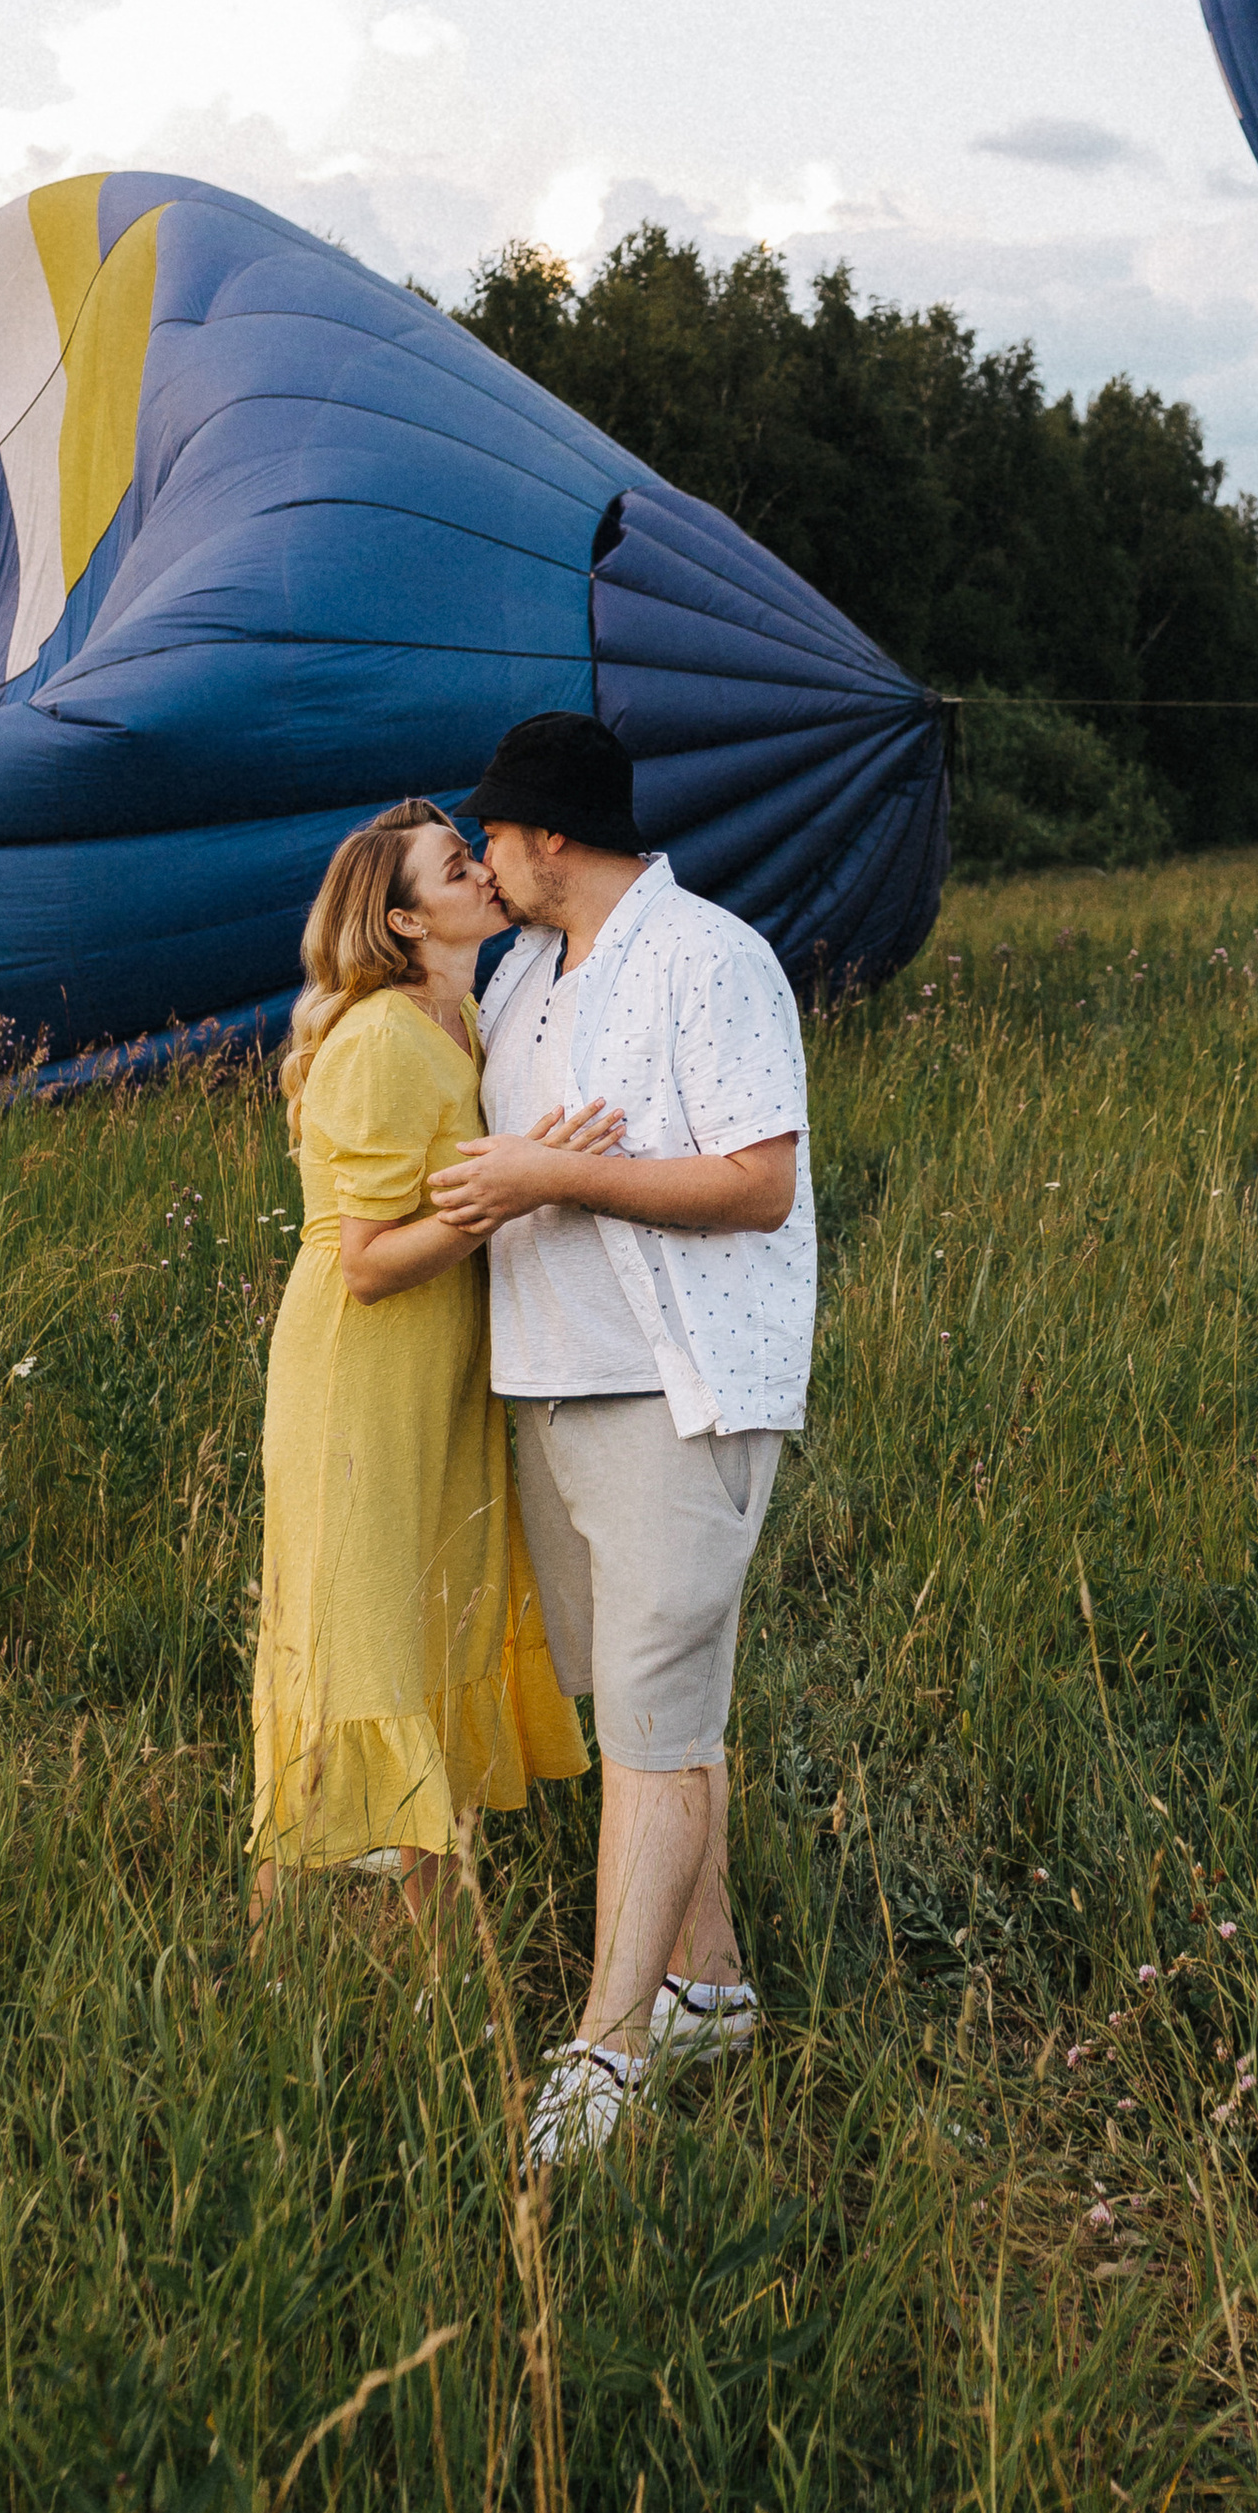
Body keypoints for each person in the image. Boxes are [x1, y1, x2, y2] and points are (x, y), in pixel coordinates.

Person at [427, 713, 813, 2166]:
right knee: (644, 1722)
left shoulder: (710, 958)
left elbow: (759, 1183)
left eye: (495, 834)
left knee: (658, 1723)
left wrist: (557, 1178)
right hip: (548, 1383)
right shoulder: (524, 974)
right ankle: (710, 1989)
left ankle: (610, 2050)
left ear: (554, 835)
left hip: (676, 1390)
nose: (483, 859)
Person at [249, 798, 611, 1945]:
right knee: (357, 1635)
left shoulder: (468, 1018)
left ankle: (427, 1959)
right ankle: (274, 1948)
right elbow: (363, 1264)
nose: (483, 875)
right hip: (359, 1373)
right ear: (405, 920)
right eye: (457, 868)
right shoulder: (377, 1041)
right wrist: (520, 1185)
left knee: (430, 1622)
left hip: (442, 1365)